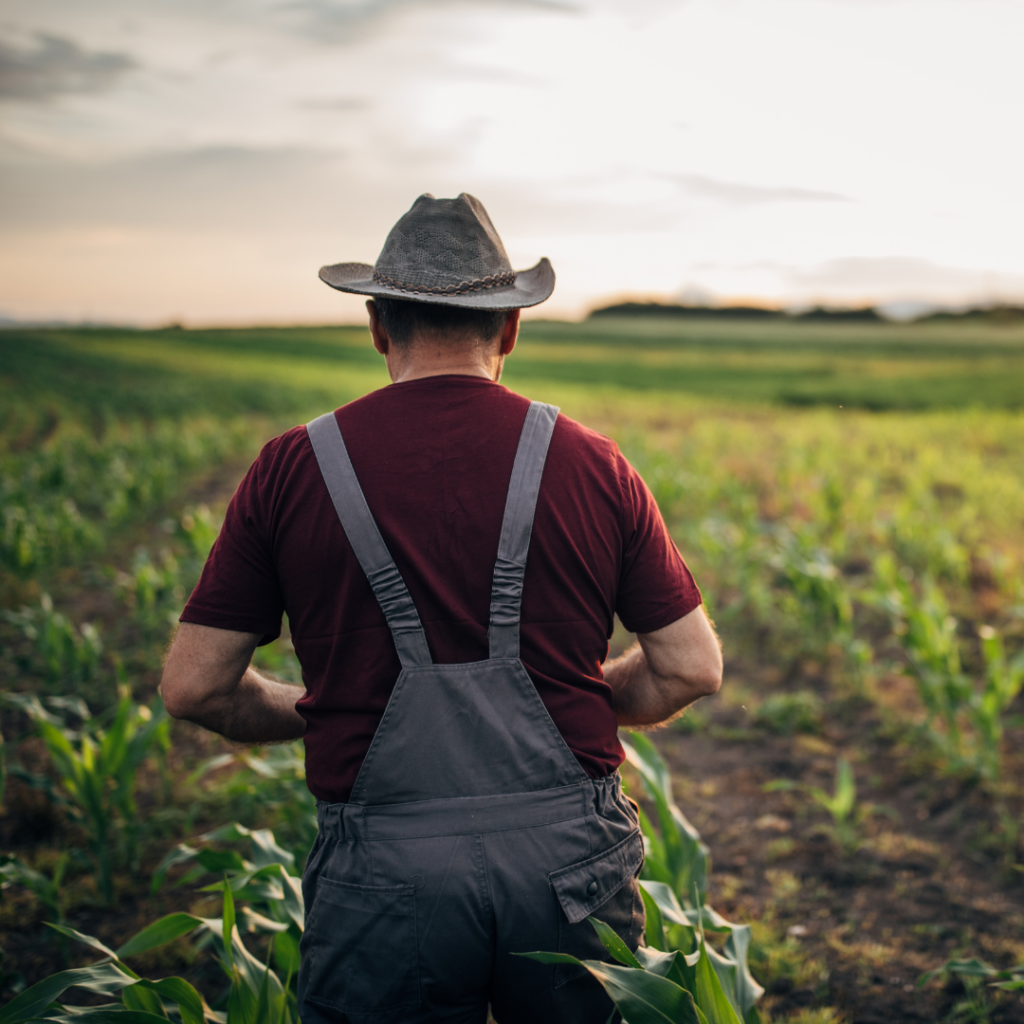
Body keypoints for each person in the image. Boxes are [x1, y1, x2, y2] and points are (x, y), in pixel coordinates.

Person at [160, 192, 722, 1024]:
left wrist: (323, 712)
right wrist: (570, 700)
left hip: (383, 872)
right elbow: (690, 666)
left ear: (379, 326)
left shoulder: (292, 468)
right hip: (567, 866)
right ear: (511, 328)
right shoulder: (594, 463)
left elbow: (195, 687)